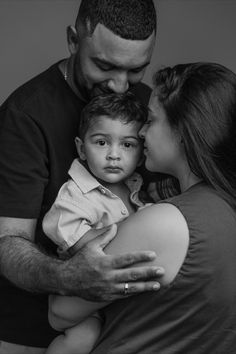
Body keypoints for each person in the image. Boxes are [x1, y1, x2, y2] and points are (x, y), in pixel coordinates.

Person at [0, 1, 164, 353]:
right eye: (105, 66)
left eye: (136, 70)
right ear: (73, 40)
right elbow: (6, 242)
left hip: (123, 330)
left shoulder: (149, 106)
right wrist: (69, 276)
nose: (121, 86)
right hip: (29, 333)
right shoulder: (25, 114)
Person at [49, 62, 236, 353]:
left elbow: (60, 312)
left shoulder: (165, 222)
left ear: (183, 131)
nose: (142, 133)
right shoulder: (226, 206)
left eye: (150, 120)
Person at [44, 91, 150, 354]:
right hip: (82, 289)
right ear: (82, 148)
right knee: (83, 339)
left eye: (127, 145)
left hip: (121, 298)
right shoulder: (76, 194)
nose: (114, 155)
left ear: (141, 151)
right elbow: (74, 239)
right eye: (101, 142)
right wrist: (134, 233)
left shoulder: (136, 185)